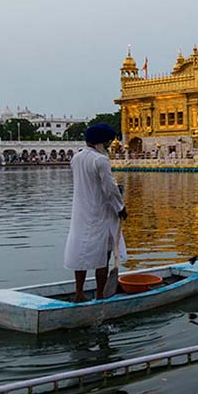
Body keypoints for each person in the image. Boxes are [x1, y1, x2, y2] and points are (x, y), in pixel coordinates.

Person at [64, 123, 128, 303]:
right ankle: (100, 295)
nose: (109, 146)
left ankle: (79, 293)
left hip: (81, 211)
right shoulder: (100, 160)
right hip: (100, 212)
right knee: (104, 255)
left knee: (80, 254)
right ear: (101, 142)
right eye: (108, 142)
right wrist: (121, 207)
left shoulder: (76, 158)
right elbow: (109, 189)